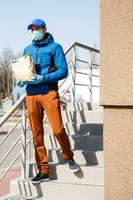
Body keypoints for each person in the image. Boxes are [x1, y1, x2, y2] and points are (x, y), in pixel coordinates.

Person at [17, 19, 79, 184]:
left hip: (49, 92)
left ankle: (68, 157)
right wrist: (21, 79)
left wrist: (43, 78)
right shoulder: (27, 49)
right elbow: (25, 69)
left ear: (45, 29)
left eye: (37, 29)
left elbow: (63, 71)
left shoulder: (55, 47)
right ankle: (43, 169)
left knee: (58, 129)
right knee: (36, 134)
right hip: (31, 95)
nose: (34, 32)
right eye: (32, 29)